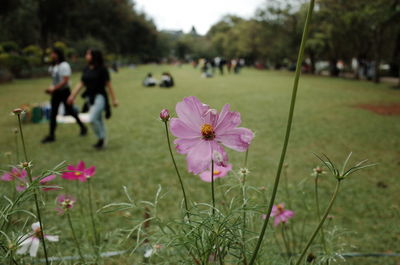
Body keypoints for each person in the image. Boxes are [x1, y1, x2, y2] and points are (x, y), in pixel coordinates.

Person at [67, 49, 118, 149]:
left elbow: (108, 84)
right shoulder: (86, 69)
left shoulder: (102, 69)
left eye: (88, 54)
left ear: (94, 56)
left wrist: (114, 99)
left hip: (100, 97)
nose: (86, 56)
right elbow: (81, 83)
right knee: (98, 119)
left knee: (93, 118)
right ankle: (102, 140)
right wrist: (72, 96)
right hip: (89, 98)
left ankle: (101, 138)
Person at [41, 47, 87, 143]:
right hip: (56, 93)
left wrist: (54, 88)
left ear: (57, 54)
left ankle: (83, 127)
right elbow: (54, 81)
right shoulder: (53, 66)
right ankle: (51, 135)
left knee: (70, 111)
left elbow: (65, 81)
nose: (51, 55)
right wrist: (51, 88)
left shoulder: (64, 65)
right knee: (53, 113)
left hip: (64, 92)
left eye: (53, 53)